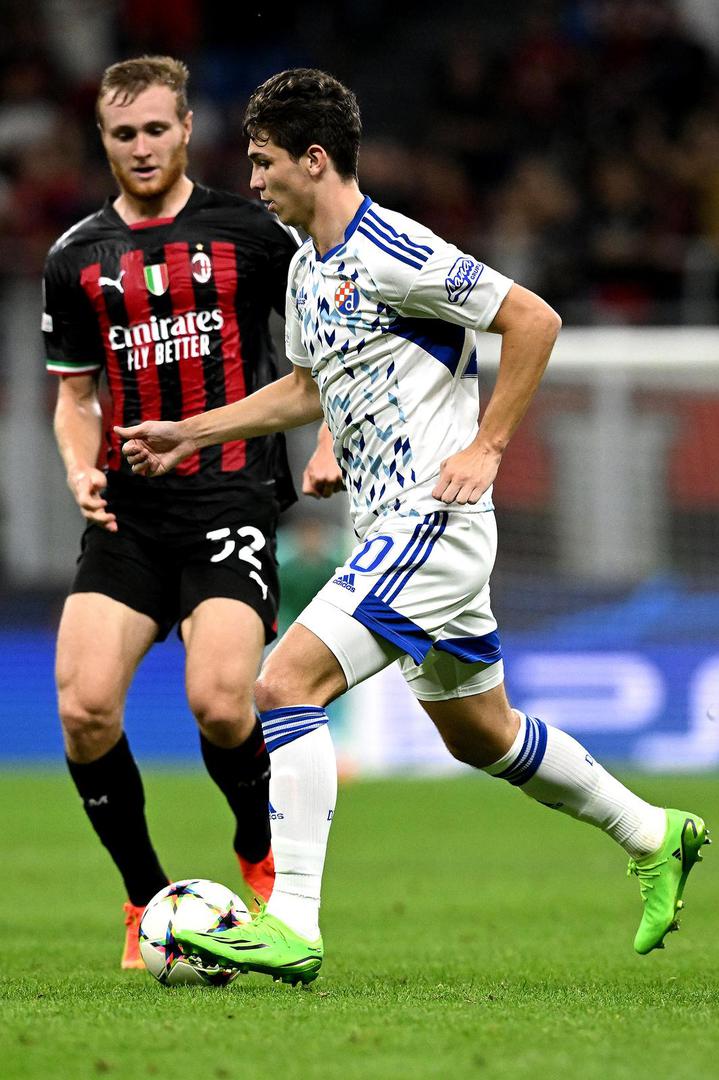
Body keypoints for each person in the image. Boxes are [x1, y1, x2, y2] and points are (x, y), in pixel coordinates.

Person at [117, 68, 710, 985]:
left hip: (433, 523)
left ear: (315, 159)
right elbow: (315, 384)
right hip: (389, 525)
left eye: (266, 160)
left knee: (282, 688)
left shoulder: (390, 245)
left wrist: (489, 445)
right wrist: (199, 432)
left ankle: (293, 924)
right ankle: (653, 832)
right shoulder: (310, 266)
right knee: (480, 734)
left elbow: (532, 319)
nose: (255, 178)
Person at [43, 56, 340, 970]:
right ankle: (143, 898)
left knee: (220, 702)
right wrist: (76, 469)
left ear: (184, 131)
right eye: (123, 133)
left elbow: (326, 343)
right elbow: (74, 397)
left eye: (156, 130)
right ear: (104, 139)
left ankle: (258, 855)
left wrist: (327, 436)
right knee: (84, 706)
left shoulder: (251, 230)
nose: (141, 147)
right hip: (129, 513)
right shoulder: (74, 257)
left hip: (231, 495)